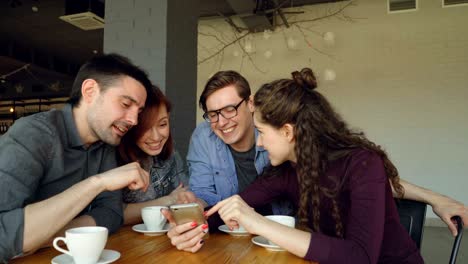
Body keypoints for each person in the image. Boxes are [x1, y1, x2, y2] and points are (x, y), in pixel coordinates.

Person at [172, 70, 467, 253]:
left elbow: (359, 256)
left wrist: (259, 223)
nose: (259, 142)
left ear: (288, 132)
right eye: (213, 114)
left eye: (263, 132)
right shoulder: (285, 171)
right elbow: (227, 211)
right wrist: (192, 229)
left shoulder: (362, 163)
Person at [0, 53, 152, 261]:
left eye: (139, 111)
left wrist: (45, 236)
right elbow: (3, 236)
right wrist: (96, 183)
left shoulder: (104, 142)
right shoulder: (33, 134)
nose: (134, 120)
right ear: (90, 91)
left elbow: (112, 214)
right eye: (126, 104)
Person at [117, 86, 193, 225]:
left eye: (162, 124)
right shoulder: (114, 159)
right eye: (145, 128)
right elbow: (113, 214)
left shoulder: (171, 154)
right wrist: (168, 200)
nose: (156, 137)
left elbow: (184, 196)